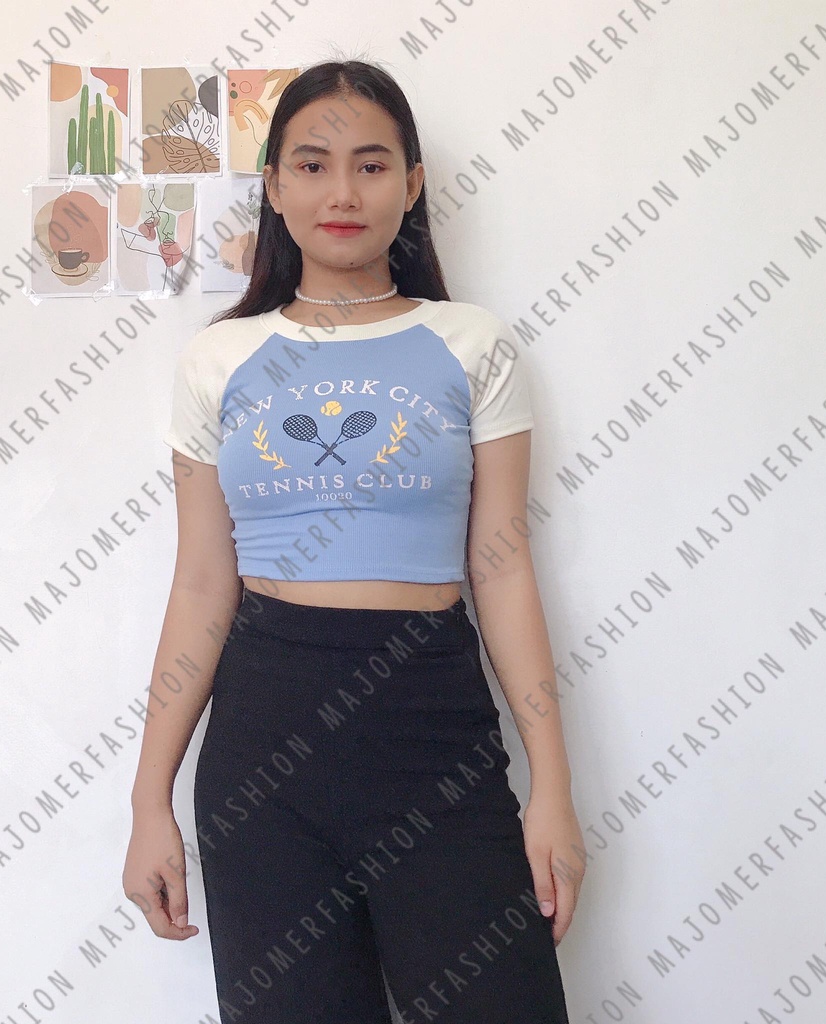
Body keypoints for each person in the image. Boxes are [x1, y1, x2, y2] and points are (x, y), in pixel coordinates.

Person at [123, 58, 585, 1024]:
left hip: (434, 729)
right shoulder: (219, 358)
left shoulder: (472, 343)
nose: (342, 193)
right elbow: (202, 585)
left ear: (411, 185)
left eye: (371, 166)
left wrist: (552, 786)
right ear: (275, 187)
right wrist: (148, 802)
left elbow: (502, 571)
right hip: (265, 742)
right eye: (313, 165)